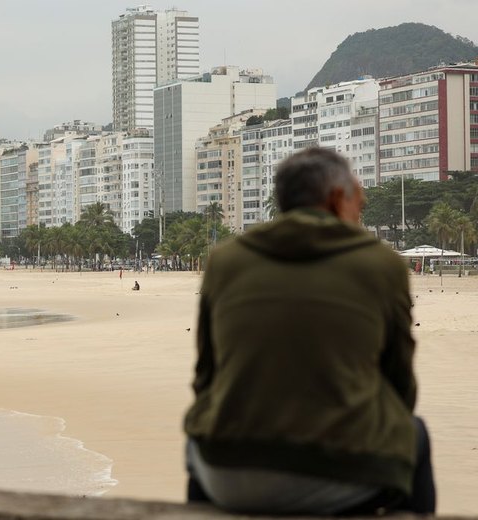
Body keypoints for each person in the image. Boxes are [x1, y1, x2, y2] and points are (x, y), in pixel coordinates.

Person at [184, 147, 435, 515]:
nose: (359, 217)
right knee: (416, 432)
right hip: (344, 475)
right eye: (359, 206)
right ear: (336, 199)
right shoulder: (380, 264)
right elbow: (400, 383)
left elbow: (206, 376)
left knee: (202, 427)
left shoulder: (225, 260)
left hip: (228, 474)